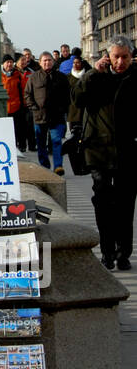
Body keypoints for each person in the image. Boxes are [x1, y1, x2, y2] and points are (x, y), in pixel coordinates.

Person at [71, 36, 137, 270]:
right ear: (108, 57)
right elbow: (77, 99)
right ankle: (107, 252)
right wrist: (91, 73)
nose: (120, 62)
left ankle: (123, 253)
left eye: (124, 57)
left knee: (125, 205)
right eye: (116, 57)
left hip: (128, 151)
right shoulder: (96, 77)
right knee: (103, 203)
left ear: (131, 57)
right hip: (98, 150)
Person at [24, 51, 71, 174]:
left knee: (56, 141)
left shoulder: (61, 77)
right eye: (44, 60)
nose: (47, 62)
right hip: (40, 116)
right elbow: (27, 94)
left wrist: (64, 108)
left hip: (57, 116)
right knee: (41, 143)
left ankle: (58, 166)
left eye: (49, 60)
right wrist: (33, 107)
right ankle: (45, 166)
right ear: (40, 63)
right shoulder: (34, 78)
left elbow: (68, 95)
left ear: (53, 62)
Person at [1, 55, 28, 152]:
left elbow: (24, 90)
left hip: (17, 106)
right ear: (3, 64)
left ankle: (19, 147)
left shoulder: (18, 75)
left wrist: (24, 104)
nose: (9, 64)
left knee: (18, 129)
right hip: (3, 108)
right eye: (7, 62)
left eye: (11, 62)